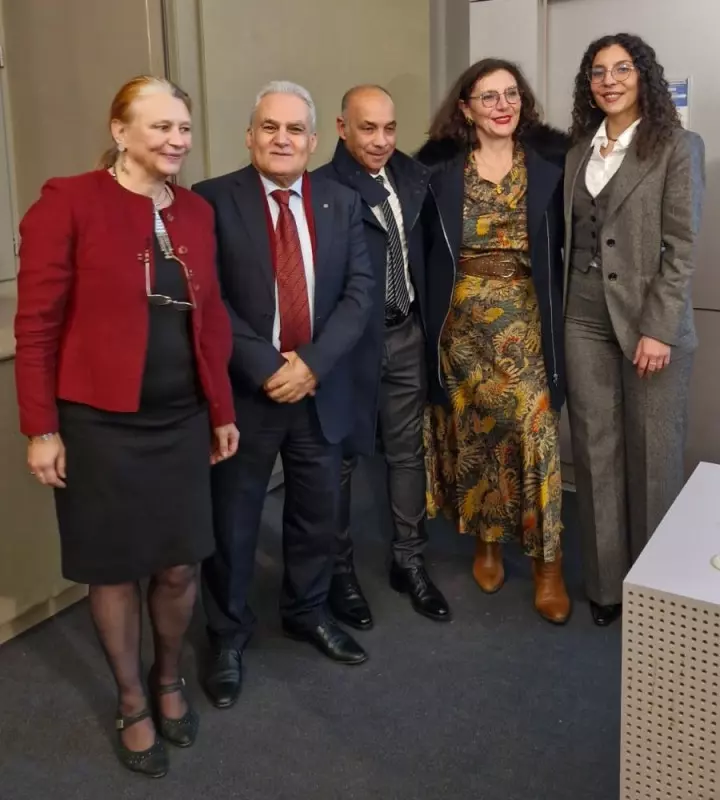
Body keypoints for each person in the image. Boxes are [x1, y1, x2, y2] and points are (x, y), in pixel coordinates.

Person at [14, 76, 238, 778]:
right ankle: (132, 698)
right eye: (161, 126)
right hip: (98, 425)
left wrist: (222, 409)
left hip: (181, 418)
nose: (178, 139)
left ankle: (168, 677)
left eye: (184, 127)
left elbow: (212, 318)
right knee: (112, 570)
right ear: (120, 131)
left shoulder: (196, 212)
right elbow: (36, 324)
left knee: (179, 564)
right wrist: (40, 428)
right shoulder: (68, 202)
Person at [194, 81, 375, 710]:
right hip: (249, 392)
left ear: (314, 141)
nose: (282, 139)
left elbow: (360, 293)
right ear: (249, 136)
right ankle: (226, 635)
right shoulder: (212, 200)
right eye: (269, 127)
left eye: (295, 129)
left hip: (318, 390)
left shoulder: (341, 200)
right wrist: (270, 366)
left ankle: (306, 611)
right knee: (234, 521)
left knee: (316, 514)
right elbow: (208, 298)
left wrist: (312, 366)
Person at [416, 59, 571, 624]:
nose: (502, 105)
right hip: (460, 322)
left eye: (511, 94)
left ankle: (548, 564)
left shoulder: (553, 164)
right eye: (488, 96)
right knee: (478, 431)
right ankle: (487, 542)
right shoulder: (438, 171)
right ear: (466, 109)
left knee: (535, 431)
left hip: (527, 314)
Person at [564, 34, 705, 627]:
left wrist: (660, 328)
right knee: (595, 453)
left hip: (651, 322)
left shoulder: (678, 146)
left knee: (654, 460)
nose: (610, 81)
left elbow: (682, 247)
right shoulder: (577, 151)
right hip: (582, 316)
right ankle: (606, 589)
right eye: (598, 72)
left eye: (622, 69)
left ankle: (655, 592)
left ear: (643, 76)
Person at [314, 85, 451, 630]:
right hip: (351, 347)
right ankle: (339, 571)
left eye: (389, 128)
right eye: (367, 128)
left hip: (406, 334)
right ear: (342, 128)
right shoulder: (322, 189)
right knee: (342, 460)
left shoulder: (411, 177)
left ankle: (409, 561)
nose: (381, 140)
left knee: (406, 453)